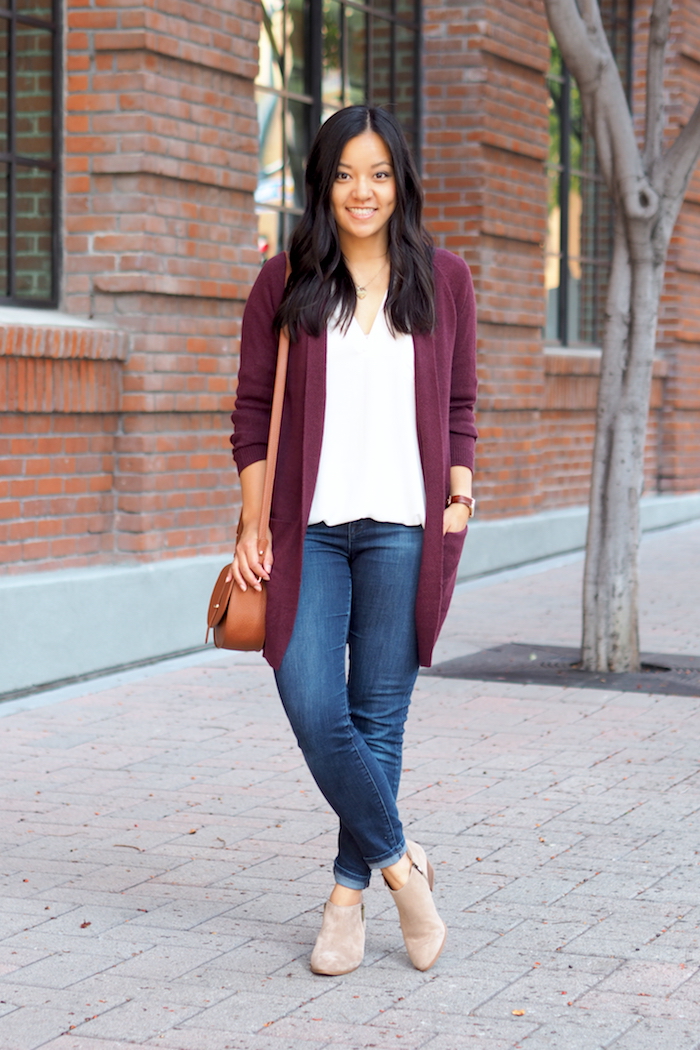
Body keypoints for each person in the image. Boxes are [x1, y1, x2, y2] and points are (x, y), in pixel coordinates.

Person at [230, 105, 477, 975]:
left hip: (406, 530)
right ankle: (404, 867)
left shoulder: (443, 279)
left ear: (400, 182)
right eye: (344, 174)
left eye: (377, 174)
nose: (361, 191)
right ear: (322, 184)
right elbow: (252, 413)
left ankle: (345, 902)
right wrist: (254, 520)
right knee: (308, 695)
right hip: (312, 532)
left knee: (377, 719)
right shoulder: (286, 280)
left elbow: (460, 406)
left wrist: (459, 493)